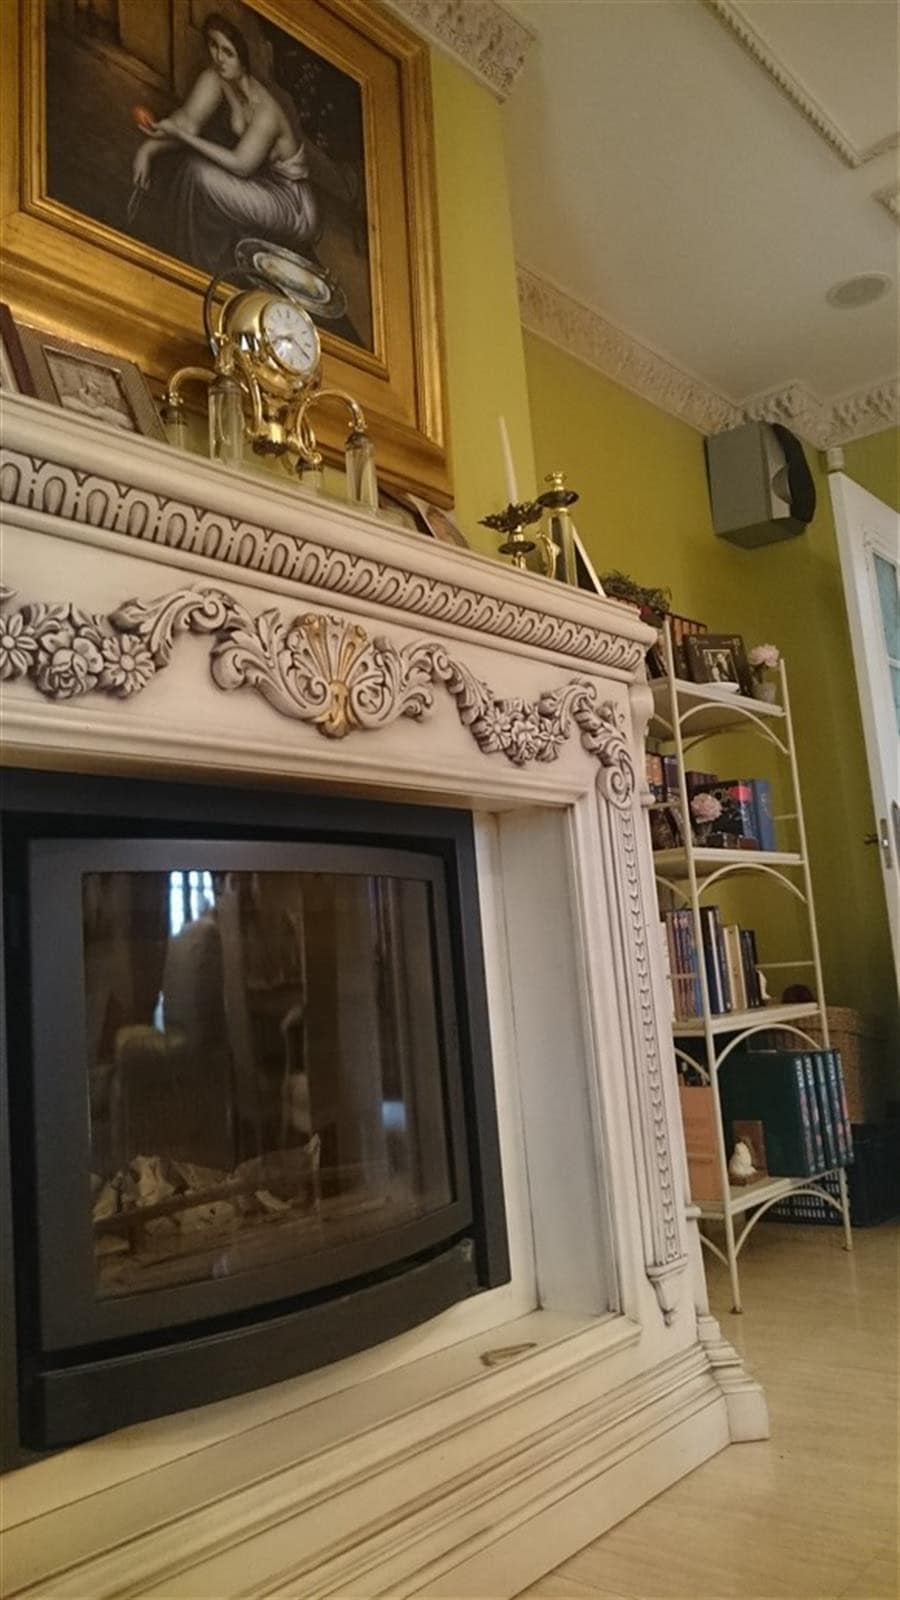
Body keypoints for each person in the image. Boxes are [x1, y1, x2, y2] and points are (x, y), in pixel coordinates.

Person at [131, 13, 319, 276]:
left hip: (290, 204)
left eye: (228, 52)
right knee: (193, 171)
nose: (218, 57)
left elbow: (240, 165)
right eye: (213, 45)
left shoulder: (266, 110)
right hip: (259, 182)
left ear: (244, 57)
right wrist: (148, 150)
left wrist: (183, 138)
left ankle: (196, 267)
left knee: (198, 173)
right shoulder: (217, 77)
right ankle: (182, 257)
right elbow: (187, 122)